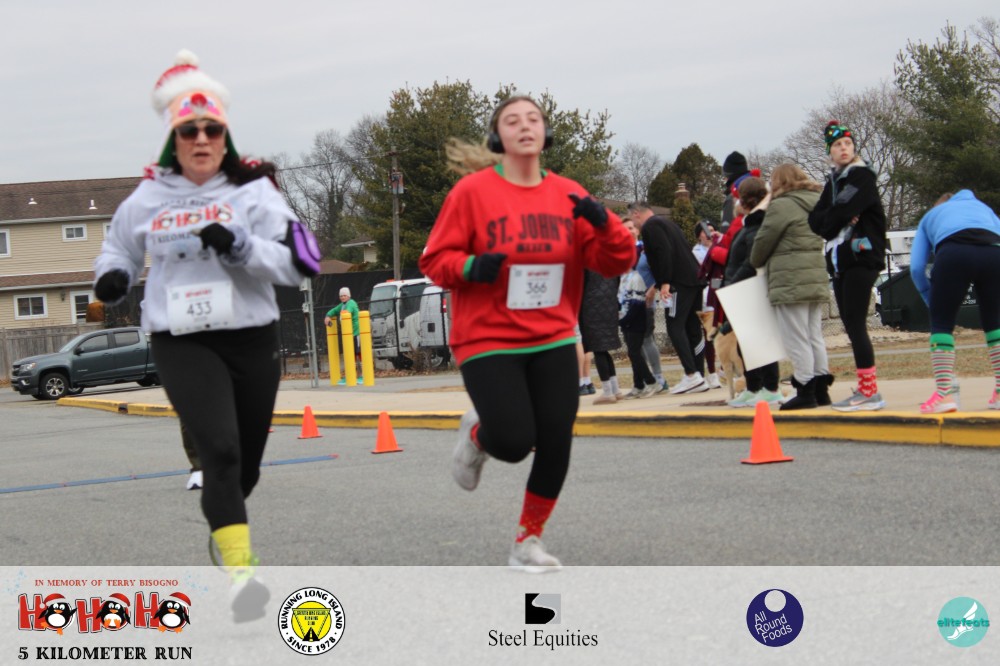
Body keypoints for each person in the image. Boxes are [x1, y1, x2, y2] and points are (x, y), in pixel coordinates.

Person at [93, 50, 319, 621]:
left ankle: (225, 527)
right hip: (182, 338)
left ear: (225, 137)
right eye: (189, 130)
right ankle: (243, 578)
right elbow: (118, 248)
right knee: (219, 450)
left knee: (245, 469)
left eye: (211, 130)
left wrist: (240, 246)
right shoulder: (148, 197)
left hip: (250, 335)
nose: (200, 139)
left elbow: (300, 264)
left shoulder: (254, 192)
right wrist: (112, 277)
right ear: (174, 140)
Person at [419, 95, 634, 571]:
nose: (524, 126)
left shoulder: (569, 194)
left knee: (557, 437)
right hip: (488, 337)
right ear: (497, 136)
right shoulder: (472, 193)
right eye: (512, 120)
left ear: (545, 133)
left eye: (533, 119)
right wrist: (472, 267)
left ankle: (527, 541)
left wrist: (605, 223)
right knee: (514, 442)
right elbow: (434, 260)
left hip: (552, 334)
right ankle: (478, 435)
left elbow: (616, 261)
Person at [808, 120, 887, 411]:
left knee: (855, 323)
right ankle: (866, 389)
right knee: (851, 325)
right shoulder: (833, 183)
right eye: (838, 145)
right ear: (830, 151)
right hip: (840, 261)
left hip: (861, 258)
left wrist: (835, 217)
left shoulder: (862, 176)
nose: (844, 148)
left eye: (848, 144)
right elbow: (816, 221)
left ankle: (869, 392)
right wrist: (835, 217)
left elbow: (842, 211)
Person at [749, 165, 833, 410]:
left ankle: (805, 388)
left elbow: (762, 244)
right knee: (814, 335)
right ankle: (821, 389)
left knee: (796, 337)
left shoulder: (781, 205)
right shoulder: (817, 201)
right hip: (814, 274)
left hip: (789, 279)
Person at [909, 190, 1000, 413]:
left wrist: (928, 296)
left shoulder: (931, 216)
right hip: (994, 253)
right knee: (995, 323)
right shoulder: (986, 210)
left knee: (941, 324)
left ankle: (944, 394)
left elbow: (917, 268)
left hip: (954, 252)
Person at [628, 202, 708, 394]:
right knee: (692, 327)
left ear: (636, 213)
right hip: (693, 279)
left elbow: (664, 252)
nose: (633, 223)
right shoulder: (668, 223)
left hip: (677, 282)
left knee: (674, 326)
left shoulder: (650, 226)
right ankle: (698, 374)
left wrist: (664, 282)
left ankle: (691, 375)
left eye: (631, 218)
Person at [720, 177, 783, 408]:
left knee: (760, 344)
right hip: (743, 288)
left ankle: (770, 388)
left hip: (750, 287)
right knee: (746, 344)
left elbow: (751, 261)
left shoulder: (757, 225)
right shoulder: (749, 224)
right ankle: (754, 386)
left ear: (744, 201)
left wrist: (732, 283)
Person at [579, 270, 624, 404]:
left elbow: (580, 286)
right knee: (604, 350)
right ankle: (615, 389)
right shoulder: (610, 263)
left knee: (598, 349)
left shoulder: (587, 265)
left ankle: (607, 392)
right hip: (609, 305)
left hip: (591, 307)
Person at [324, 287, 363, 385]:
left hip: (356, 332)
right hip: (348, 334)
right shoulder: (342, 305)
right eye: (341, 296)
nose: (342, 297)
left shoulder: (351, 303)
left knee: (358, 353)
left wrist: (340, 314)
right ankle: (350, 374)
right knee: (349, 354)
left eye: (344, 295)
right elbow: (333, 310)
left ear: (348, 296)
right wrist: (328, 316)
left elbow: (347, 312)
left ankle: (362, 375)